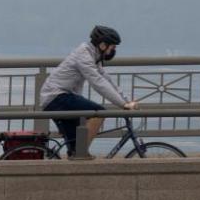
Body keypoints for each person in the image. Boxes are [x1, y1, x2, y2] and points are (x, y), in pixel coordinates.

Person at [40, 25, 138, 157]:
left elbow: (106, 79)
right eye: (113, 47)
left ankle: (76, 157)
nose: (114, 51)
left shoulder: (92, 55)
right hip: (56, 97)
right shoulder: (84, 55)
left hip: (60, 97)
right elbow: (98, 82)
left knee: (74, 145)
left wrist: (126, 100)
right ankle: (81, 153)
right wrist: (123, 104)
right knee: (99, 113)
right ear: (103, 45)